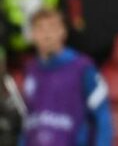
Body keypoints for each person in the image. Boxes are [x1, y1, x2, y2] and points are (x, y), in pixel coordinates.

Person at [21, 9, 112, 146]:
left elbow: (102, 116)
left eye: (52, 28)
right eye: (40, 29)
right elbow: (28, 122)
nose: (47, 35)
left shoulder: (82, 67)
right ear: (32, 34)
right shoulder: (31, 70)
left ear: (63, 32)